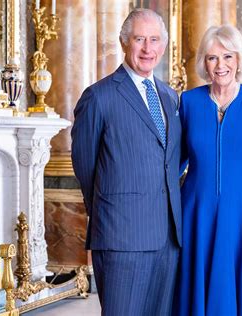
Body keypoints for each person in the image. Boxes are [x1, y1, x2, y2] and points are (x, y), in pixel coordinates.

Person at [71, 9, 182, 316]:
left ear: (163, 45)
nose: (148, 48)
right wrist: (111, 215)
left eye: (155, 39)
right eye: (140, 39)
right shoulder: (99, 97)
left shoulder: (170, 97)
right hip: (122, 237)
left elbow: (171, 161)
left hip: (168, 237)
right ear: (124, 42)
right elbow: (85, 168)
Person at [174, 25, 242, 315]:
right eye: (212, 58)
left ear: (239, 60)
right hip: (197, 211)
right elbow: (175, 162)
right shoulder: (189, 101)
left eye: (227, 57)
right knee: (198, 283)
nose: (220, 65)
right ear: (204, 64)